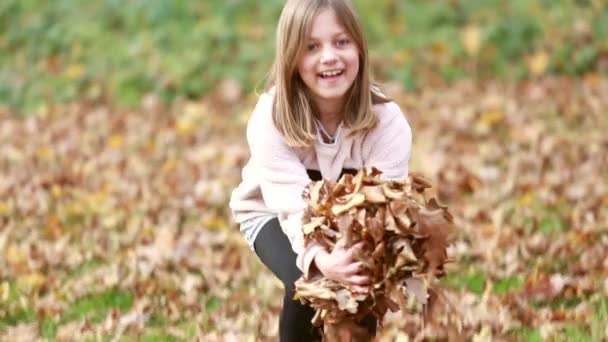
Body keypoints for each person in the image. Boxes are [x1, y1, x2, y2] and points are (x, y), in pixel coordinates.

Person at [229, 0, 412, 340]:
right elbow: (290, 202)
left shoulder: (387, 123)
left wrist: (359, 256)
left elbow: (384, 208)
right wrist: (318, 257)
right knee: (307, 285)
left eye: (341, 42)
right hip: (273, 210)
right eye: (311, 47)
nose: (329, 56)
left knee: (360, 283)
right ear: (292, 59)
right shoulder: (272, 116)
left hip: (350, 219)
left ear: (359, 48)